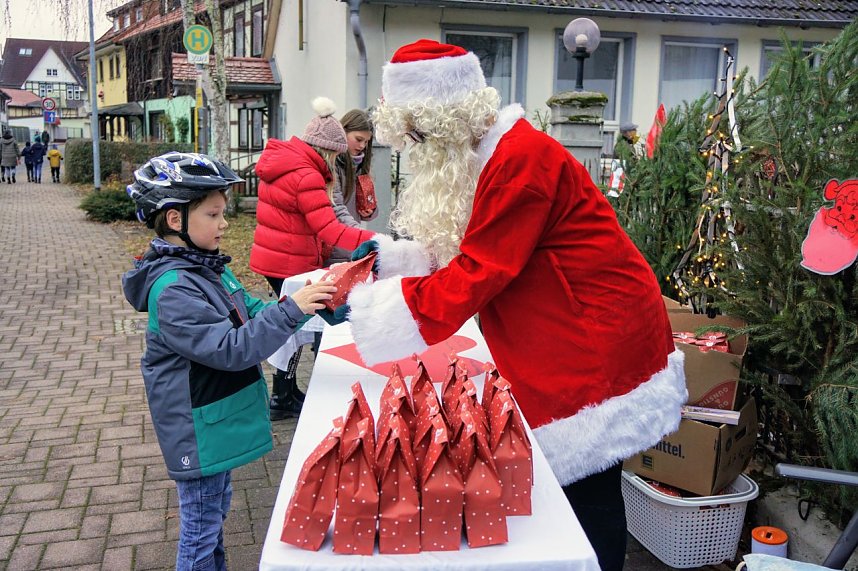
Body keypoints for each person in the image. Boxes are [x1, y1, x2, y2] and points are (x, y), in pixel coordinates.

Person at [326, 40, 687, 571]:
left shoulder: (519, 163)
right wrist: (390, 265)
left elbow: (480, 269)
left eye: (419, 135)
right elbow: (464, 242)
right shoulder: (489, 154)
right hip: (570, 325)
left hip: (593, 338)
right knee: (584, 485)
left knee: (588, 488)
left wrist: (373, 311)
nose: (418, 149)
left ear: (446, 120)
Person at [122, 152, 336, 571]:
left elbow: (250, 310)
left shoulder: (206, 268)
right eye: (214, 214)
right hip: (197, 429)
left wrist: (305, 302)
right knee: (200, 530)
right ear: (174, 220)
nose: (224, 224)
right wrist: (291, 311)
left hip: (212, 421)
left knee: (214, 514)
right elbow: (232, 348)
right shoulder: (175, 290)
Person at [249, 97, 377, 420]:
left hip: (278, 256)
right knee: (292, 324)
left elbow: (327, 217)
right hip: (287, 260)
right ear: (327, 150)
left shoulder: (289, 162)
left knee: (292, 323)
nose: (336, 162)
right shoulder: (307, 175)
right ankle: (282, 397)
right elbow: (329, 228)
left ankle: (286, 392)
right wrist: (375, 242)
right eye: (336, 156)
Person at [326, 108, 378, 266]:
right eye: (358, 139)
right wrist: (365, 236)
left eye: (367, 142)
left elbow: (371, 206)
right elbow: (336, 208)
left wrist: (370, 211)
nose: (362, 146)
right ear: (343, 131)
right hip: (335, 246)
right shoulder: (332, 164)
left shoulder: (361, 165)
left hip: (352, 244)